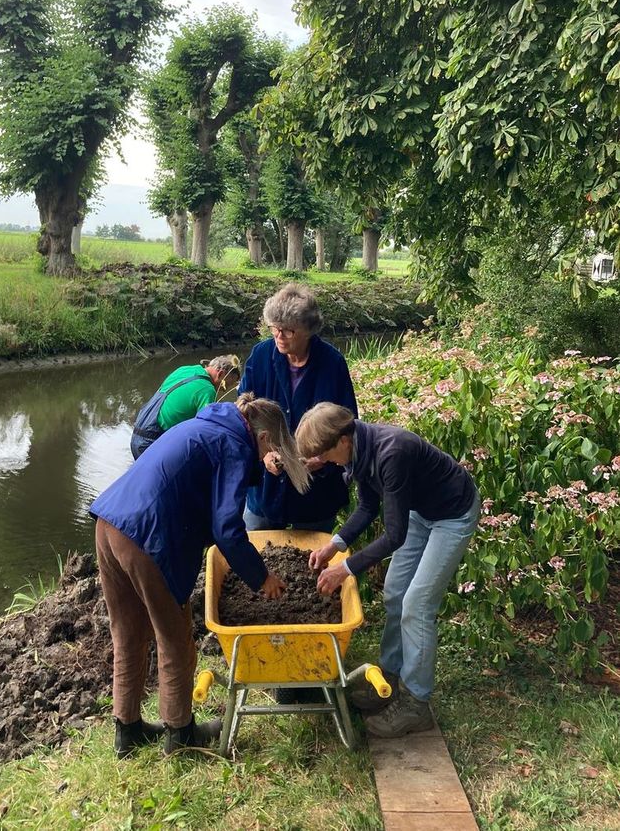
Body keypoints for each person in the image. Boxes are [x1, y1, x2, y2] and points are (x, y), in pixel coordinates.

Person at [90, 393, 310, 758]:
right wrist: (262, 577)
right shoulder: (234, 444)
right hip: (146, 535)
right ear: (264, 438)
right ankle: (181, 735)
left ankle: (126, 730)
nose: (264, 459)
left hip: (110, 522)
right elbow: (227, 530)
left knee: (128, 632)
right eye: (269, 451)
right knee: (175, 639)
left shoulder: (208, 424)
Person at [295, 402, 480, 738]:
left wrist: (345, 569)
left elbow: (395, 536)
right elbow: (367, 507)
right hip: (420, 512)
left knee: (417, 606)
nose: (321, 461)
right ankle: (389, 679)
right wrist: (334, 546)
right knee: (395, 593)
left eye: (324, 453)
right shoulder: (360, 451)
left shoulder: (392, 452)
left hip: (452, 514)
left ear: (343, 440)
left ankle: (416, 703)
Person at [239, 283, 357, 532]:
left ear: (309, 330)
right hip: (266, 487)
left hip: (315, 491)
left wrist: (322, 456)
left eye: (288, 331)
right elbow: (243, 415)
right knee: (256, 552)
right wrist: (265, 454)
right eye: (274, 329)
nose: (279, 337)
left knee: (311, 559)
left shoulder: (332, 363)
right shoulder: (260, 356)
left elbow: (347, 422)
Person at [130, 355, 240, 459]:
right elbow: (206, 432)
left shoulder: (185, 369)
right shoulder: (207, 391)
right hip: (152, 443)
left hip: (137, 434)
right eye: (223, 387)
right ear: (220, 374)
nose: (221, 390)